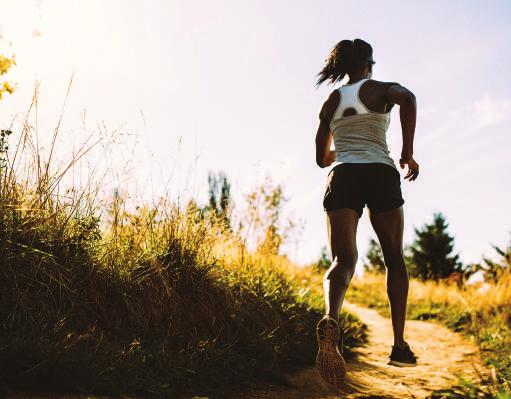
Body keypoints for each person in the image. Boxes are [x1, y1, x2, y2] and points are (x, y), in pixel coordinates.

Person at [313, 38, 419, 388]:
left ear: (341, 67)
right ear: (369, 63)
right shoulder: (381, 89)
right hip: (380, 173)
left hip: (343, 175)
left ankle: (330, 319)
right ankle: (399, 345)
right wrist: (407, 152)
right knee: (394, 259)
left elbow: (320, 155)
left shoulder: (332, 100)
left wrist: (337, 152)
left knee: (343, 260)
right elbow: (409, 98)